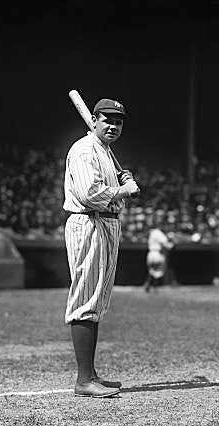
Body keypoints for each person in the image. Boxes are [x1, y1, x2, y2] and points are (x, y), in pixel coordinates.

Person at [63, 98, 140, 398]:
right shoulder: (83, 150)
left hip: (107, 223)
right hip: (89, 221)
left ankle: (91, 374)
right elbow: (90, 194)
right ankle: (84, 380)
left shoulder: (104, 152)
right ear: (93, 120)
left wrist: (124, 180)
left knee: (97, 299)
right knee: (86, 297)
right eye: (107, 120)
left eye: (118, 121)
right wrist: (124, 189)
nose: (113, 125)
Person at [144, 226, 174, 292]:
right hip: (157, 253)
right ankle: (154, 287)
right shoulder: (159, 233)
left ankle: (148, 284)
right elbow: (165, 245)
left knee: (152, 271)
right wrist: (171, 244)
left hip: (150, 253)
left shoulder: (153, 232)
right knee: (157, 271)